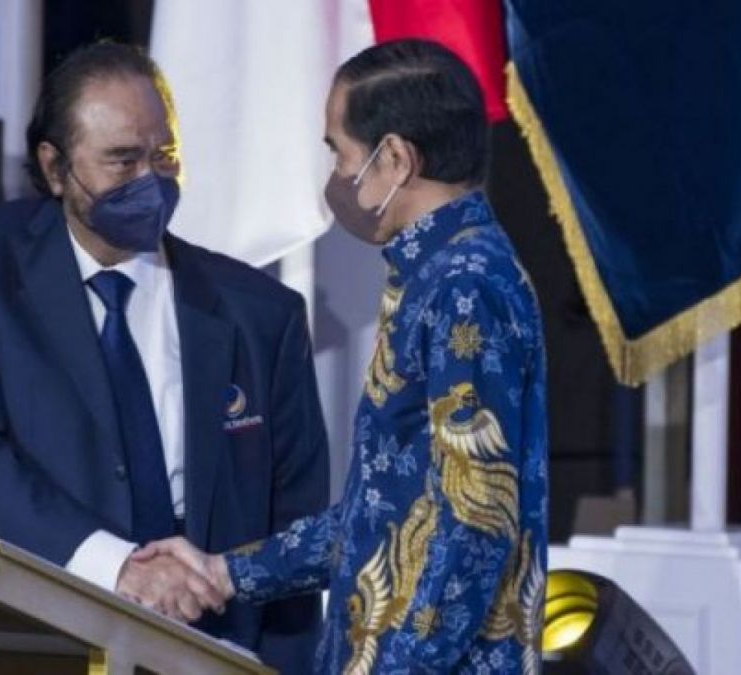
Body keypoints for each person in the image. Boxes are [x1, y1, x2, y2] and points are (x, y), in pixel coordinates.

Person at [137, 39, 549, 673]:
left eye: (340, 153)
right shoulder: (436, 273)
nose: (334, 173)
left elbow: (473, 524)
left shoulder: (465, 285)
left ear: (395, 159)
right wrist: (223, 572)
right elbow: (380, 513)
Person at [0, 42, 327, 673]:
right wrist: (121, 570)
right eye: (121, 160)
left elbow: (296, 516)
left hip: (215, 647)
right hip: (38, 635)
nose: (148, 181)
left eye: (163, 157)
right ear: (55, 168)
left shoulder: (261, 313)